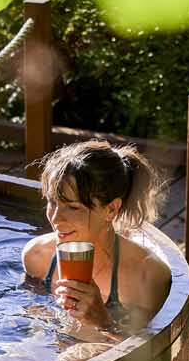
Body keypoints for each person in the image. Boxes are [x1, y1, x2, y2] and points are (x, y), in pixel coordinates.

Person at [21, 139, 171, 335]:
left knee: (74, 356)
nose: (56, 219)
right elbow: (31, 326)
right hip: (48, 350)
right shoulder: (37, 256)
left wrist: (104, 322)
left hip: (98, 357)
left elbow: (145, 355)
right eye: (52, 202)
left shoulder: (147, 275)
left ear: (111, 209)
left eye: (73, 208)